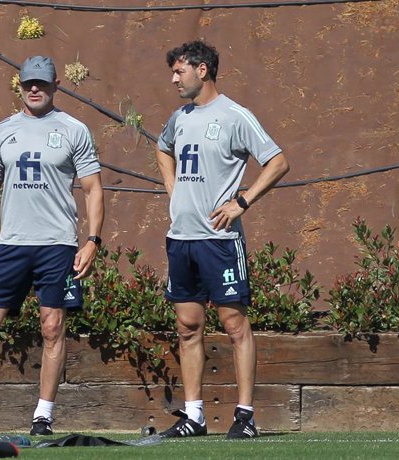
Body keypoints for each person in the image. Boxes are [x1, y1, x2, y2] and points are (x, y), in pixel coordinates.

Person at [0, 55, 104, 437]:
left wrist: (92, 240)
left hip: (57, 244)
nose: (34, 89)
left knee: (52, 326)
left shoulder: (74, 130)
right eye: (28, 83)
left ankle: (43, 416)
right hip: (11, 245)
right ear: (20, 85)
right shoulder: (3, 131)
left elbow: (92, 189)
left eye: (41, 82)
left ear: (56, 84)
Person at [155, 40, 290, 439]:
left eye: (180, 71)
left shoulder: (235, 116)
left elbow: (278, 161)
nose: (173, 78)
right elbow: (162, 149)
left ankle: (245, 416)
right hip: (181, 238)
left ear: (203, 70)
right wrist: (173, 189)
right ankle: (193, 417)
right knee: (187, 326)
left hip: (219, 240)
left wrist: (242, 202)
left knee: (234, 324)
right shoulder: (178, 117)